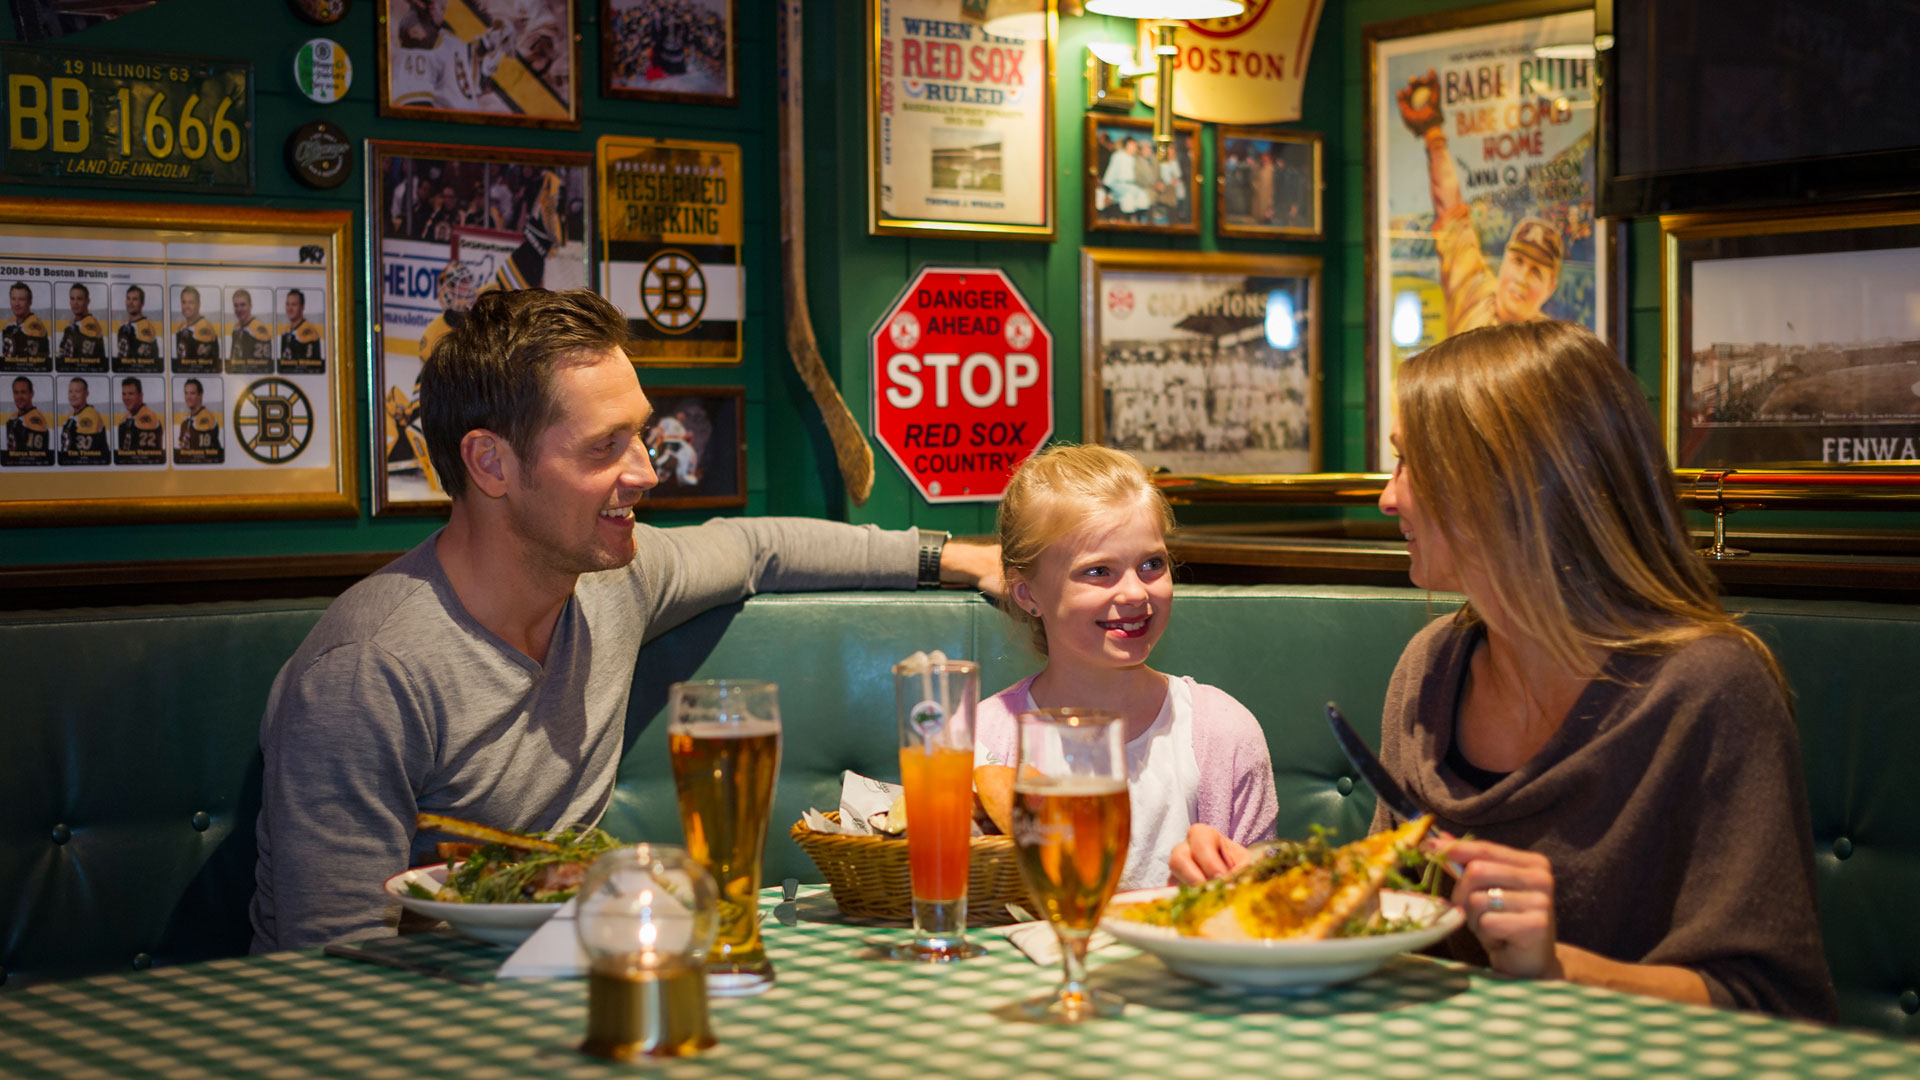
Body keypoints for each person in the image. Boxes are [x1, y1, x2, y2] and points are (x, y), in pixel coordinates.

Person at [250, 288, 1000, 951]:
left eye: (639, 434)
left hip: (572, 977)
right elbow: (335, 960)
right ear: (490, 464)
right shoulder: (366, 671)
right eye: (603, 447)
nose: (645, 471)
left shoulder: (615, 580)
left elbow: (757, 547)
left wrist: (961, 559)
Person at [1171, 321, 1837, 1022]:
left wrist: (1557, 969)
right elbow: (1391, 912)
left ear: (1505, 485)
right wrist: (1272, 887)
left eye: (1408, 464)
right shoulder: (1431, 666)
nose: (1388, 498)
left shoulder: (1710, 688)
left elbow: (1777, 1007)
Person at [974, 444, 1276, 891]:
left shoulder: (1225, 734)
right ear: (1027, 594)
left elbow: (1265, 904)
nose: (1136, 593)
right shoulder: (982, 742)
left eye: (1152, 564)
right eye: (1099, 571)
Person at [1397, 69, 1563, 334]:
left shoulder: (1552, 344)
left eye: (1536, 272)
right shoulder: (1474, 296)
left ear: (1550, 287)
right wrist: (1433, 134)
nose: (1521, 279)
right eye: (1518, 261)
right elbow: (1453, 214)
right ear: (1504, 260)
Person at [114, 376, 163, 464]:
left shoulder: (147, 415)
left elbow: (147, 457)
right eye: (124, 394)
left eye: (131, 394)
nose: (126, 398)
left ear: (140, 396)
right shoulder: (125, 419)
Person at [59, 377, 107, 466]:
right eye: (70, 391)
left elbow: (84, 454)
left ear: (86, 394)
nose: (73, 395)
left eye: (77, 391)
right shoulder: (71, 415)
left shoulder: (90, 415)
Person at [4, 375, 50, 465]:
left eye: (23, 392)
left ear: (31, 394)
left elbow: (34, 460)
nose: (19, 396)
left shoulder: (35, 420)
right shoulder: (13, 417)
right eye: (16, 392)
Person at [175, 377, 222, 463]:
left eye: (192, 393)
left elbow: (202, 453)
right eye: (186, 393)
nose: (188, 397)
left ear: (200, 395)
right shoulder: (185, 422)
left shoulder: (206, 417)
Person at [58, 283, 105, 366]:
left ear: (87, 301)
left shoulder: (90, 325)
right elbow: (62, 353)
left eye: (79, 299)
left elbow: (85, 364)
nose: (75, 303)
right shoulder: (72, 324)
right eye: (72, 298)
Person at [227, 289, 273, 372]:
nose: (239, 309)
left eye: (243, 305)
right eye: (236, 305)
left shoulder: (258, 329)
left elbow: (263, 366)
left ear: (250, 306)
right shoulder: (236, 327)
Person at [3, 282, 49, 363]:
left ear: (30, 302)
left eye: (21, 299)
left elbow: (34, 363)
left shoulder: (34, 325)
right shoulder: (9, 324)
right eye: (13, 299)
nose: (16, 304)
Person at [280, 289, 325, 370]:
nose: (289, 308)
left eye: (294, 305)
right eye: (287, 304)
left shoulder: (308, 332)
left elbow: (309, 367)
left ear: (302, 307)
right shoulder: (286, 331)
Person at [116, 285, 160, 365]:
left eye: (135, 299)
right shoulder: (123, 325)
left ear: (142, 303)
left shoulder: (146, 327)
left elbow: (144, 361)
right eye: (128, 298)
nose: (130, 302)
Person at [175, 287, 220, 365]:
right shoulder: (182, 327)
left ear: (198, 304)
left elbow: (202, 366)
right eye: (183, 302)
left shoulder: (204, 328)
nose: (186, 306)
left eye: (191, 302)